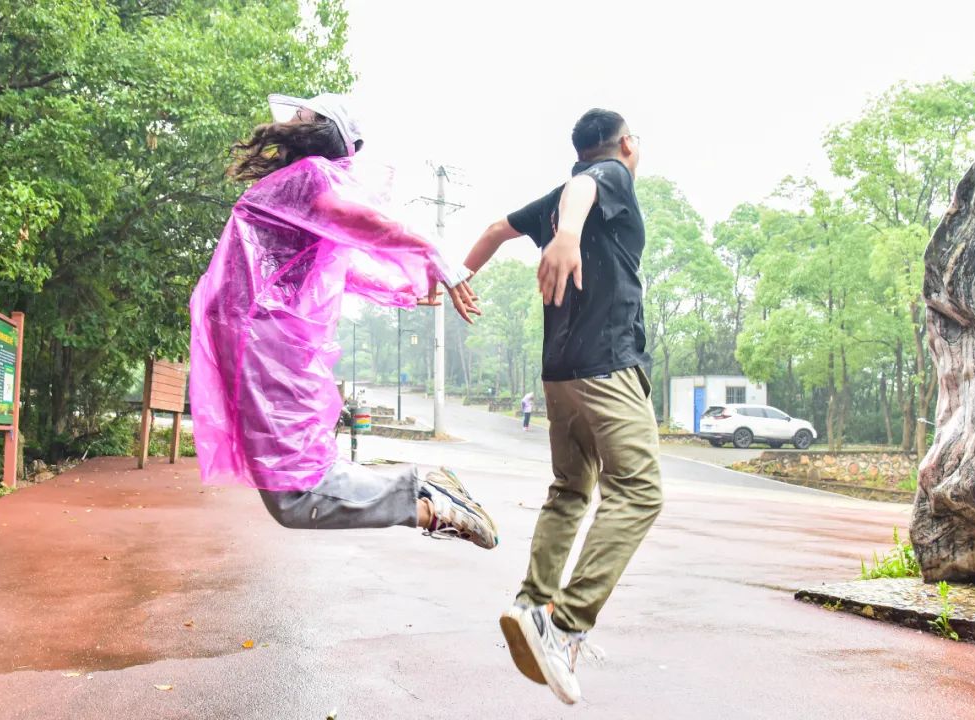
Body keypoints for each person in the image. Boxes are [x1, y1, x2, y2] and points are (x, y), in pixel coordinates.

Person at [189, 92, 498, 550]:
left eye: (304, 113)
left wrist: (431, 252)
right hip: (256, 345)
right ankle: (426, 495)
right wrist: (403, 288)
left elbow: (357, 220)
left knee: (295, 493)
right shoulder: (295, 185)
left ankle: (429, 501)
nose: (293, 117)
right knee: (290, 488)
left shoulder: (311, 178)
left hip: (266, 347)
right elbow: (334, 266)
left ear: (321, 129)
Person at [463, 108, 663, 703]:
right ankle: (565, 625)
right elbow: (588, 185)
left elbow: (496, 229)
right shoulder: (607, 177)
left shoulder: (558, 195)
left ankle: (531, 603)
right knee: (640, 492)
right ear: (625, 144)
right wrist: (569, 234)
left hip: (560, 377)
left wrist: (458, 275)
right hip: (607, 368)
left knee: (571, 490)